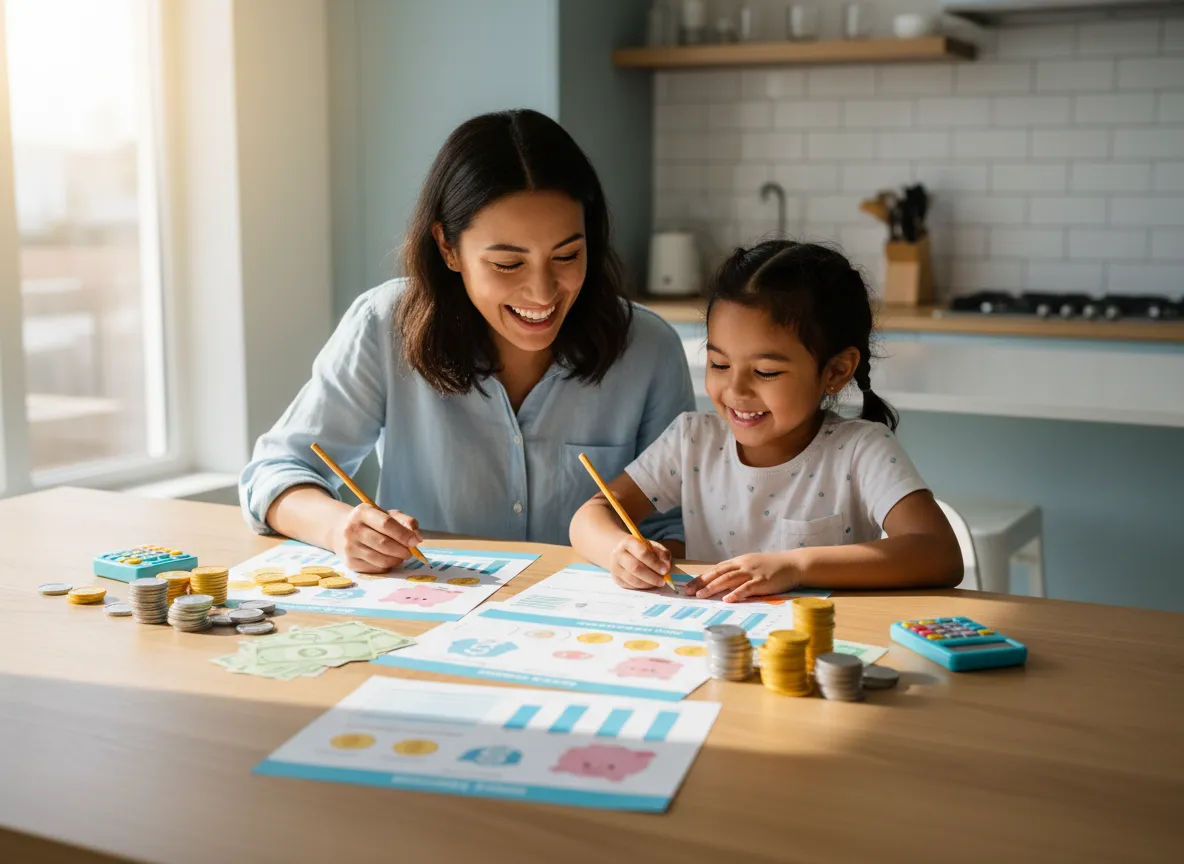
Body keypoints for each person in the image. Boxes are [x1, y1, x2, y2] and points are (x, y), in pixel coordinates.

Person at [240, 109, 694, 572]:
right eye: (507, 264)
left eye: (567, 255)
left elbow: (676, 525)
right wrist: (339, 528)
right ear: (448, 248)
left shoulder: (649, 349)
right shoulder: (383, 325)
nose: (542, 292)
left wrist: (648, 560)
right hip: (428, 618)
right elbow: (274, 474)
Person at [569, 240, 963, 599]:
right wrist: (618, 551)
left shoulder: (861, 450)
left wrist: (795, 566)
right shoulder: (692, 440)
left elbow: (940, 553)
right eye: (719, 363)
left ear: (836, 371)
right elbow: (591, 515)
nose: (736, 390)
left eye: (766, 372)